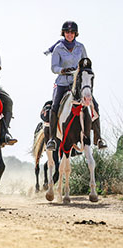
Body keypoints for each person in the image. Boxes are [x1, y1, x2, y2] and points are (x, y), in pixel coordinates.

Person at [45, 21, 107, 151]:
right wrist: (63, 70)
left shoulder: (81, 47)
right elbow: (54, 67)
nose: (69, 34)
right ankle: (52, 139)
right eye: (67, 32)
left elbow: (86, 63)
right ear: (64, 33)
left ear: (75, 34)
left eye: (72, 32)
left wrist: (85, 72)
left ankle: (98, 138)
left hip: (78, 84)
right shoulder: (58, 48)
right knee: (55, 106)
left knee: (94, 104)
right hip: (63, 82)